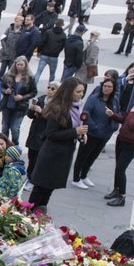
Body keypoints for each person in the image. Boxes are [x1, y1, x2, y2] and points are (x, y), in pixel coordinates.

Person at [28, 77, 88, 211]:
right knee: (40, 190)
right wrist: (75, 131)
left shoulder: (77, 108)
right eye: (78, 92)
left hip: (63, 156)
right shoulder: (57, 108)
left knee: (49, 190)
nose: (81, 94)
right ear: (69, 92)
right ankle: (29, 215)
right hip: (51, 155)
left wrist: (80, 135)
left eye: (82, 92)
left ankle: (39, 215)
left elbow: (74, 129)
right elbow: (51, 134)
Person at [71, 75, 119, 189]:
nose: (106, 88)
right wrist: (95, 126)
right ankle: (76, 178)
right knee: (82, 156)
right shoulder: (94, 98)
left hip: (105, 134)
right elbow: (86, 113)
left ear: (113, 89)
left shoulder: (115, 101)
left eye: (109, 87)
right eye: (105, 86)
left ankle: (84, 175)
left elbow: (117, 113)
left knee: (93, 156)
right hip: (92, 133)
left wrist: (114, 125)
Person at [23, 82, 58, 191]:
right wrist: (32, 109)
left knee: (37, 159)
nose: (50, 90)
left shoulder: (57, 104)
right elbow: (29, 115)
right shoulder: (41, 99)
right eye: (49, 87)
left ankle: (32, 179)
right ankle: (29, 176)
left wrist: (42, 112)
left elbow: (54, 120)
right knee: (31, 156)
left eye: (53, 88)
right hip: (34, 131)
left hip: (44, 134)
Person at [0, 55, 37, 145]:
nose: (19, 67)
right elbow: (1, 86)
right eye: (17, 64)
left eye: (21, 65)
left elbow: (34, 92)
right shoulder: (9, 75)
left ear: (25, 65)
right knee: (5, 127)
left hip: (20, 107)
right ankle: (5, 145)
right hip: (7, 105)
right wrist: (6, 91)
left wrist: (23, 97)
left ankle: (15, 145)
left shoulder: (30, 77)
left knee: (14, 128)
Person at [34, 18, 66, 82]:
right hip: (54, 56)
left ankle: (33, 87)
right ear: (62, 25)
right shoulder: (63, 35)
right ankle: (50, 88)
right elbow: (62, 46)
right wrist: (57, 52)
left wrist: (39, 51)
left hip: (44, 55)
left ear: (55, 24)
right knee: (52, 74)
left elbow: (42, 42)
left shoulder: (48, 32)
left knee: (38, 72)